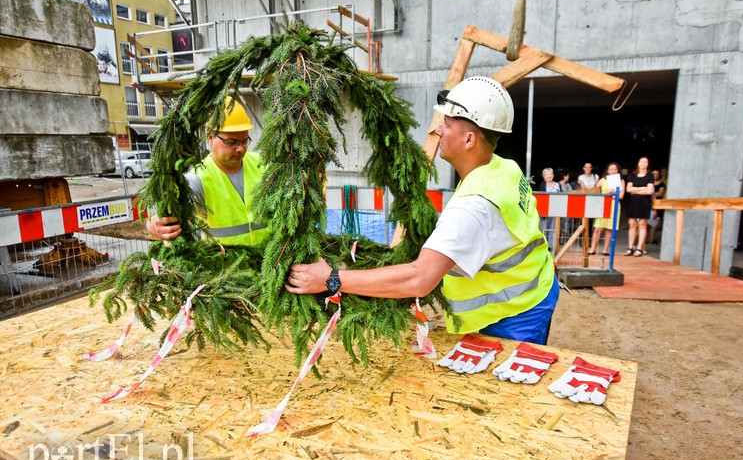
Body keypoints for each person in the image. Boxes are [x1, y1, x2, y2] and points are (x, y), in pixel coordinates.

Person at [286, 76, 559, 345]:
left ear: (469, 140)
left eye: (447, 124)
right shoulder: (503, 167)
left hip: (515, 314)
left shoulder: (474, 207)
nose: (437, 130)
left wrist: (331, 279)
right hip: (539, 286)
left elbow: (420, 278)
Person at [146, 97, 269, 246]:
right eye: (232, 142)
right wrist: (154, 226)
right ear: (210, 137)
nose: (240, 148)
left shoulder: (262, 165)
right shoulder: (198, 179)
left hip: (267, 265)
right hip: (225, 266)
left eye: (244, 141)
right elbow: (167, 214)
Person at [589, 162, 625, 255]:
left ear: (618, 171)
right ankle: (593, 249)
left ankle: (605, 250)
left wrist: (612, 195)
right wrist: (607, 194)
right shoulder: (602, 180)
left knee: (609, 229)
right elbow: (596, 192)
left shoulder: (621, 181)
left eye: (615, 169)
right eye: (611, 169)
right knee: (598, 228)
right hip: (603, 205)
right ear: (607, 171)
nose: (613, 171)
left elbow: (621, 196)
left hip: (614, 205)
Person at [625, 157, 655, 257]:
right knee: (632, 224)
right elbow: (628, 189)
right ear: (638, 163)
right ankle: (630, 247)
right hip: (633, 202)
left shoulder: (650, 176)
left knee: (642, 224)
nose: (643, 163)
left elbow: (649, 191)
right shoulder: (633, 175)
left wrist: (636, 190)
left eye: (645, 162)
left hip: (645, 202)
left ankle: (639, 248)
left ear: (647, 164)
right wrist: (643, 188)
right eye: (641, 161)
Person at [538, 168, 562, 251]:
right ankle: (543, 245)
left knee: (553, 228)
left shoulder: (558, 184)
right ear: (544, 176)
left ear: (553, 175)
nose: (549, 176)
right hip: (545, 210)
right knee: (544, 227)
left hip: (556, 210)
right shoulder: (542, 185)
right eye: (547, 174)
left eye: (550, 174)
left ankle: (551, 246)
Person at [647, 169, 667, 244]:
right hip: (648, 203)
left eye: (656, 174)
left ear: (659, 175)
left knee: (655, 223)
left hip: (658, 204)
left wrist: (650, 192)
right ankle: (645, 240)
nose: (655, 175)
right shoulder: (648, 183)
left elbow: (660, 194)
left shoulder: (662, 184)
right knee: (647, 223)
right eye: (653, 174)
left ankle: (652, 239)